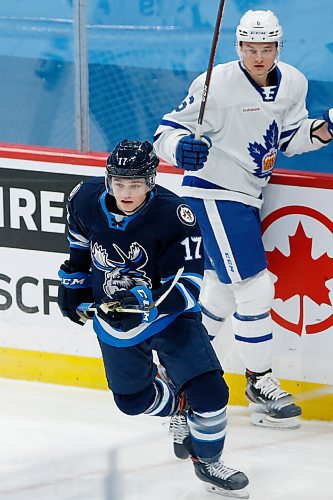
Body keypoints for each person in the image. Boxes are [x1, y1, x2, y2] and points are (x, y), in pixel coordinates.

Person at [153, 9, 333, 429]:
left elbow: (288, 137)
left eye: (266, 48)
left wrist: (325, 129)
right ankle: (259, 380)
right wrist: (181, 150)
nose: (258, 56)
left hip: (248, 196)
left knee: (220, 294)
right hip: (214, 193)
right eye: (250, 48)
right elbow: (165, 132)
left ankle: (176, 370)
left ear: (278, 47)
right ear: (238, 46)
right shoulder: (214, 84)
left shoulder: (293, 81)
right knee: (256, 287)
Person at [57, 139, 249, 498]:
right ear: (108, 178)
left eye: (136, 184)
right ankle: (178, 402)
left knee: (211, 392)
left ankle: (207, 462)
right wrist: (73, 285)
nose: (126, 192)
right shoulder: (84, 198)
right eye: (119, 183)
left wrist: (147, 303)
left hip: (169, 317)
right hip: (116, 321)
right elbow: (80, 248)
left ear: (152, 181)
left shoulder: (175, 214)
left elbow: (190, 283)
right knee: (132, 402)